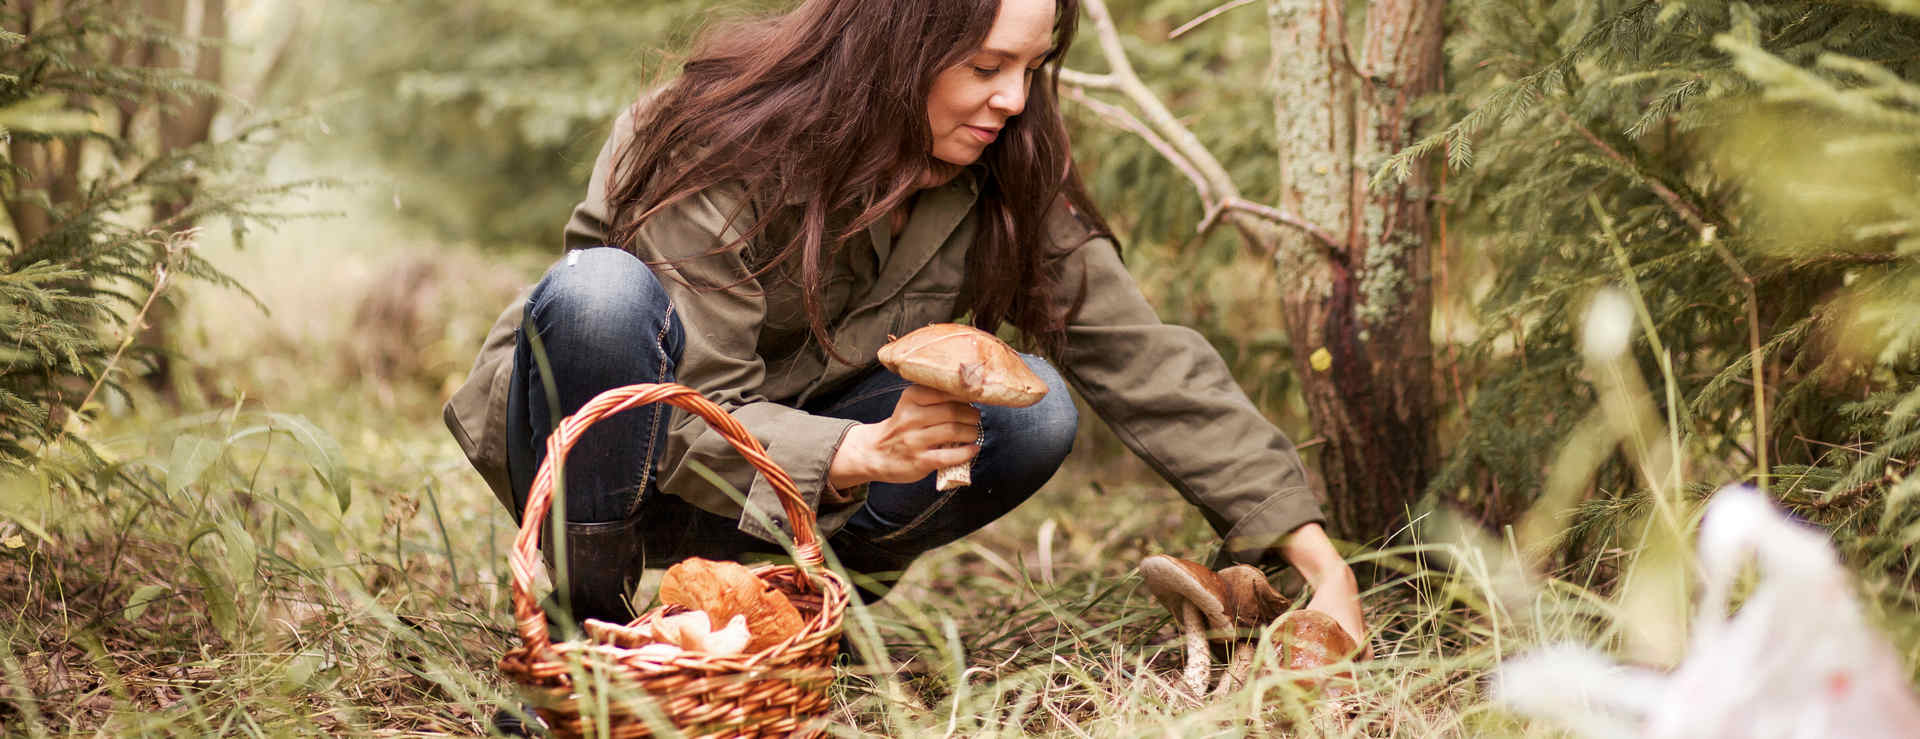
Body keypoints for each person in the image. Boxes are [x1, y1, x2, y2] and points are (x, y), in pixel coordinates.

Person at [444, 0, 1365, 648]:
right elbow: (678, 404)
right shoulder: (711, 136)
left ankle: (801, 616)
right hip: (614, 461)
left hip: (795, 498)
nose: (1014, 98)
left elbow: (1143, 357)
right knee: (601, 293)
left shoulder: (1007, 166)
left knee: (1028, 416)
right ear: (894, 47)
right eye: (985, 66)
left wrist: (1316, 560)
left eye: (1032, 67)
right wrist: (853, 451)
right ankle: (583, 645)